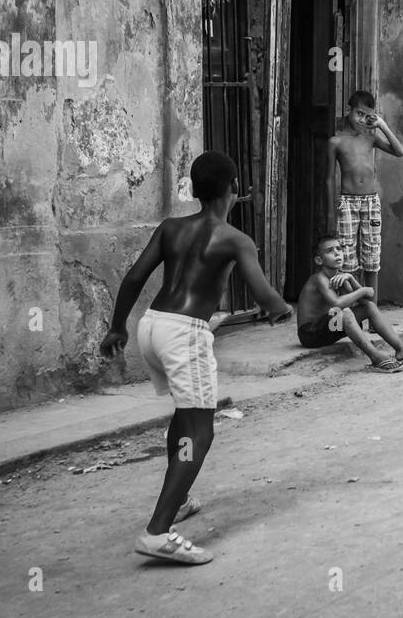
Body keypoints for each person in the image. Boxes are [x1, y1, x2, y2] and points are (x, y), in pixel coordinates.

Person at [98, 151, 294, 566]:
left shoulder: (171, 228)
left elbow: (135, 276)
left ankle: (180, 498)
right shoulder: (235, 239)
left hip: (152, 326)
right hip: (185, 333)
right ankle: (157, 532)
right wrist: (280, 309)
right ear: (235, 189)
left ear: (195, 189)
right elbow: (263, 293)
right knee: (201, 432)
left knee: (184, 417)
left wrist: (118, 327)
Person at [296, 234, 403, 372]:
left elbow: (365, 300)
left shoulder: (340, 277)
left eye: (339, 248)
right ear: (319, 260)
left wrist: (350, 278)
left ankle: (401, 348)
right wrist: (364, 290)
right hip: (309, 333)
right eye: (330, 250)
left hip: (329, 327)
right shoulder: (320, 278)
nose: (337, 253)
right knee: (345, 313)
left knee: (369, 307)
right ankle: (376, 357)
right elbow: (338, 303)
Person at [327, 90, 403, 303]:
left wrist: (382, 125)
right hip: (347, 203)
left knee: (372, 256)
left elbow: (400, 152)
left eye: (367, 115)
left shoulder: (371, 138)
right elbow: (328, 179)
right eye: (359, 113)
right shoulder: (336, 142)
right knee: (347, 258)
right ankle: (352, 309)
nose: (362, 119)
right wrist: (331, 213)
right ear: (348, 111)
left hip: (371, 202)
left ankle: (372, 311)